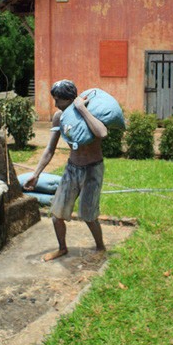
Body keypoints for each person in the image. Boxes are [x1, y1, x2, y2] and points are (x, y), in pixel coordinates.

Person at [23, 79, 108, 261]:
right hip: (72, 169)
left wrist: (82, 109)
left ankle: (100, 247)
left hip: (93, 169)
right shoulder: (58, 117)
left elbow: (102, 133)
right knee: (56, 214)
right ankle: (62, 248)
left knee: (88, 215)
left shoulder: (90, 112)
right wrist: (36, 174)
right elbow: (50, 149)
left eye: (58, 100)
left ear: (70, 99)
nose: (55, 104)